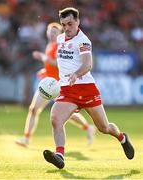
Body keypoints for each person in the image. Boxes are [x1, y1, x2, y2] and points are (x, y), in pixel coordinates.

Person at [42, 7, 135, 169]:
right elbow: (63, 62)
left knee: (104, 128)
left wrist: (76, 74)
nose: (67, 28)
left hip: (86, 89)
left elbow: (88, 64)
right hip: (67, 90)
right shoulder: (60, 39)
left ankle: (122, 138)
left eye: (70, 23)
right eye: (64, 25)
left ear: (78, 22)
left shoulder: (83, 41)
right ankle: (60, 155)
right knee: (56, 119)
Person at [15, 22, 96, 147]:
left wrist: (44, 59)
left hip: (59, 85)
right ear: (47, 33)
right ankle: (26, 139)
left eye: (55, 32)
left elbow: (60, 64)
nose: (52, 34)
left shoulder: (61, 45)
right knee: (34, 109)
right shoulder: (50, 45)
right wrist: (44, 71)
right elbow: (52, 66)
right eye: (50, 32)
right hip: (49, 84)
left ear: (59, 34)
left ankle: (87, 127)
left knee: (67, 114)